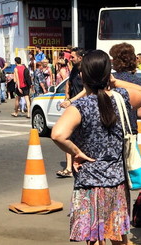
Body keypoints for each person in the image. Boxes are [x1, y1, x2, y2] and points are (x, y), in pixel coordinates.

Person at [51, 49, 141, 244]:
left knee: (92, 238)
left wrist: (77, 152)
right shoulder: (120, 97)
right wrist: (114, 82)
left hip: (89, 180)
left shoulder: (80, 106)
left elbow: (58, 135)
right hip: (116, 180)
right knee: (118, 236)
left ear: (83, 75)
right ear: (107, 74)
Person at [56, 47, 85, 178]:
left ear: (80, 58)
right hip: (73, 107)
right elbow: (69, 82)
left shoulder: (85, 71)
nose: (70, 59)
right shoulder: (74, 70)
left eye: (73, 57)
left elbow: (86, 90)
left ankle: (80, 164)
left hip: (83, 107)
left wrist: (71, 100)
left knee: (81, 138)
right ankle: (68, 168)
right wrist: (67, 98)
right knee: (68, 136)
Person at [109, 42, 141, 134]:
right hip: (131, 129)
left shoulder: (110, 79)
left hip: (112, 130)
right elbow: (140, 114)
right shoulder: (138, 81)